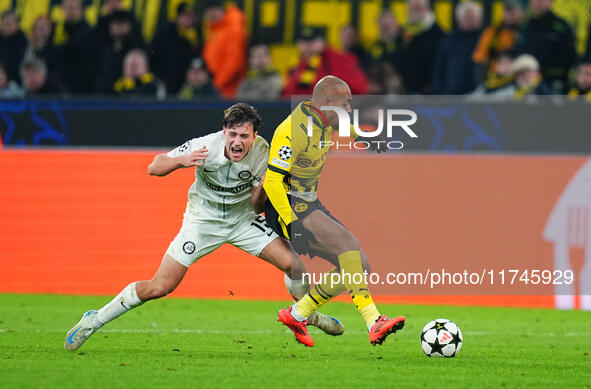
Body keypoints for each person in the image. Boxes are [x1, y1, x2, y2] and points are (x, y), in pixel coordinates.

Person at [64, 103, 344, 351]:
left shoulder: (263, 153)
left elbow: (258, 206)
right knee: (160, 286)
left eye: (244, 136)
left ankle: (305, 313)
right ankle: (93, 320)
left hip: (243, 221)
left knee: (294, 265)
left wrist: (268, 184)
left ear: (254, 136)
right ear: (223, 132)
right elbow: (154, 167)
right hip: (201, 223)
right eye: (232, 134)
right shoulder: (204, 146)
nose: (237, 141)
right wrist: (179, 161)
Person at [264, 76, 405, 348]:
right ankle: (373, 320)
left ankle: (297, 314)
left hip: (308, 203)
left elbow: (345, 125)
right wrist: (292, 223)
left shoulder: (324, 117)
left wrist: (364, 138)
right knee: (348, 245)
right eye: (347, 104)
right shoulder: (294, 129)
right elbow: (271, 181)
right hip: (287, 205)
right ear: (328, 102)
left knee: (360, 266)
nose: (349, 110)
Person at [282, 28, 368, 97]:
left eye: (312, 42)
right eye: (303, 42)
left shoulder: (339, 59)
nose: (307, 46)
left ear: (322, 43)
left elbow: (360, 88)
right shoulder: (297, 65)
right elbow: (288, 95)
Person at [520, 0, 576, 93]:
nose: (538, 3)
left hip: (553, 81)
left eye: (542, 0)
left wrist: (543, 72)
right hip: (527, 80)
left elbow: (570, 57)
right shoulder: (525, 25)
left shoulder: (561, 27)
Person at [396, 0, 446, 94]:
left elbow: (441, 63)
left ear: (427, 9)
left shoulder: (438, 34)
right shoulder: (403, 32)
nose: (415, 10)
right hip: (406, 91)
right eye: (413, 8)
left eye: (419, 7)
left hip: (428, 92)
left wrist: (433, 84)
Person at [433, 1, 483, 94]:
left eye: (473, 17)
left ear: (480, 18)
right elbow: (438, 69)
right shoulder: (449, 42)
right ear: (459, 20)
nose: (470, 20)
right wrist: (440, 91)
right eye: (467, 17)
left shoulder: (487, 39)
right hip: (452, 95)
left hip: (479, 95)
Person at [150, 2, 200, 94]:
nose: (188, 20)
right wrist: (158, 78)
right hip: (163, 84)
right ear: (178, 17)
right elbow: (152, 56)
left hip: (184, 86)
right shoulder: (165, 33)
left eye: (191, 16)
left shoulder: (195, 35)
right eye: (185, 16)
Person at [201, 0, 248, 98]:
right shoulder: (214, 28)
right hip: (215, 86)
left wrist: (216, 84)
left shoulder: (233, 28)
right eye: (208, 11)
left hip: (227, 89)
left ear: (221, 9)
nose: (211, 14)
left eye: (214, 10)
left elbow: (234, 62)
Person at [472, 0, 524, 79]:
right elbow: (479, 57)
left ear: (521, 14)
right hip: (494, 74)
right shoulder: (492, 32)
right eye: (507, 12)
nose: (510, 15)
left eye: (513, 13)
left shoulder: (526, 32)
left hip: (519, 76)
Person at [51, 0, 92, 93]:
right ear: (62, 9)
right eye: (68, 7)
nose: (71, 11)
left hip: (82, 84)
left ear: (81, 10)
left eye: (74, 7)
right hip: (59, 83)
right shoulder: (55, 29)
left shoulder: (88, 32)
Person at [0, 10, 27, 85]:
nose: (8, 27)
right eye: (6, 23)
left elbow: (19, 64)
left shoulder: (22, 40)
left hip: (15, 81)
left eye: (11, 24)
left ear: (17, 24)